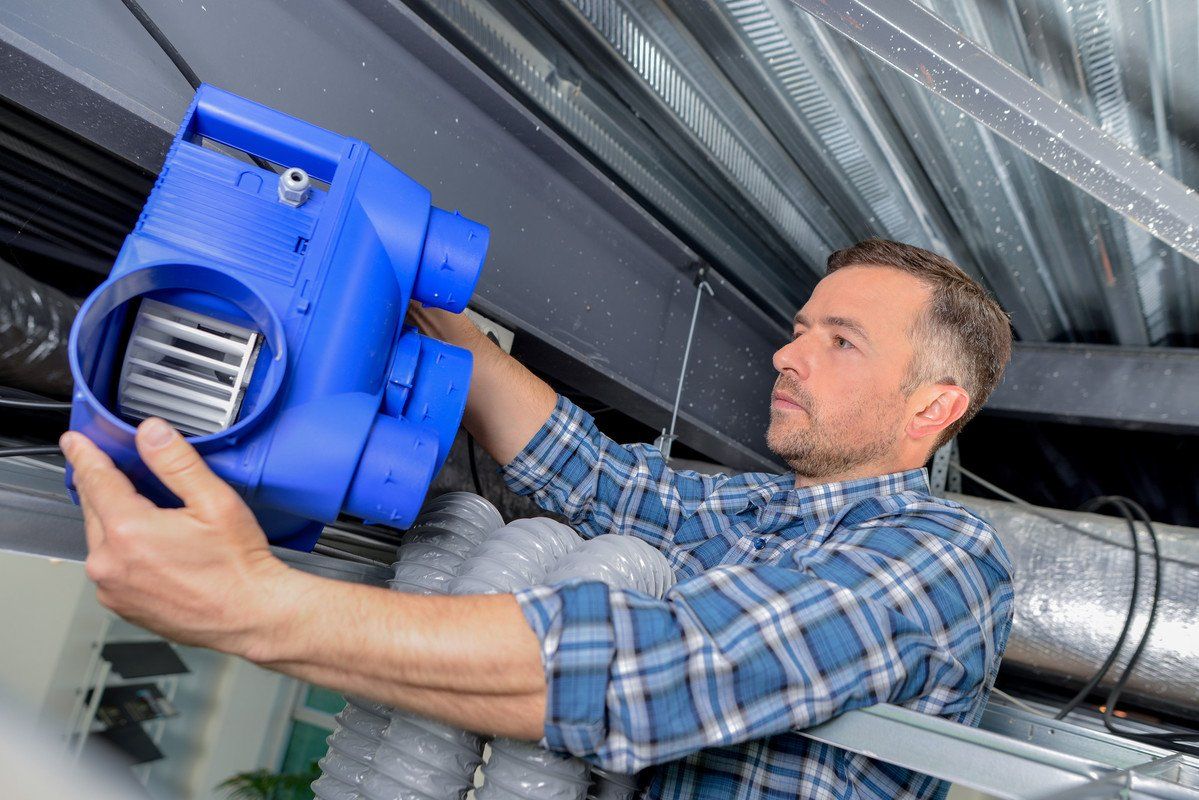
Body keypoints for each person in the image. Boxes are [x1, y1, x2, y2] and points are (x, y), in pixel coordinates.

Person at [62, 238, 1014, 799]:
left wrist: (252, 604)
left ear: (930, 408)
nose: (785, 354)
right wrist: (436, 316)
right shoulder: (762, 507)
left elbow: (651, 673)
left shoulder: (942, 558)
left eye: (837, 340)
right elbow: (597, 477)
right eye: (800, 327)